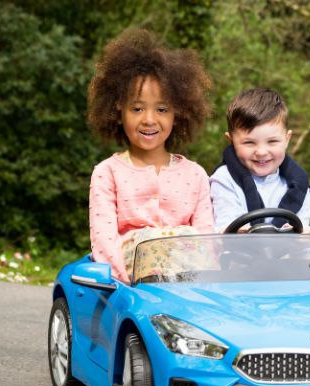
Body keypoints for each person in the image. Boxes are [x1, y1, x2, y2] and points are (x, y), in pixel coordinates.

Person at [86, 29, 214, 284]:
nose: (149, 119)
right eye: (137, 108)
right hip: (131, 288)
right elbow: (104, 242)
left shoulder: (195, 175)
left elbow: (208, 243)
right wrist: (126, 290)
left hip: (189, 291)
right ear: (118, 109)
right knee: (148, 242)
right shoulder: (107, 172)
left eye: (162, 109)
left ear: (178, 113)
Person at [209, 88, 310, 233]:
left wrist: (303, 235)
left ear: (287, 139)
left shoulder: (299, 185)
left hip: (288, 254)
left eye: (272, 141)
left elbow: (302, 231)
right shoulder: (224, 179)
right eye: (249, 143)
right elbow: (227, 226)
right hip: (237, 253)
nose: (262, 152)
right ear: (231, 141)